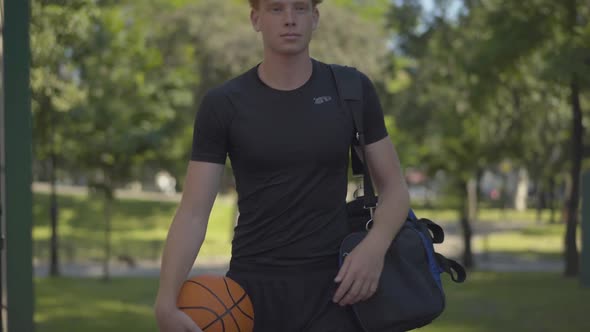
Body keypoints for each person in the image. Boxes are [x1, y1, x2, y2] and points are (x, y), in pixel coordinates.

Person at [154, 0, 410, 331]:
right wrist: (165, 299)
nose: (289, 19)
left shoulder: (350, 90)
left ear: (315, 17)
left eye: (300, 8)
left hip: (336, 290)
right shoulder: (224, 104)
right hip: (250, 292)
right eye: (276, 8)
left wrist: (374, 248)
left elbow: (395, 189)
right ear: (255, 19)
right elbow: (193, 212)